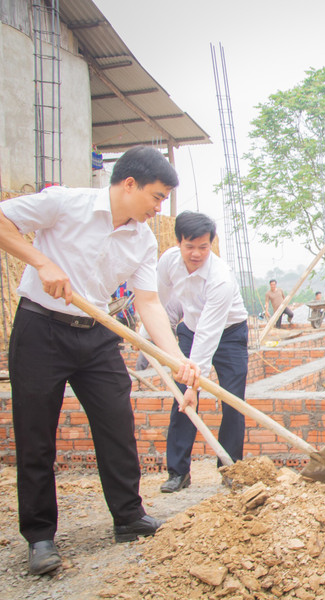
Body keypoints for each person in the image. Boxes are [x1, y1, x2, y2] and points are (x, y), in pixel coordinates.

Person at [0, 146, 199, 575]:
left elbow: (147, 303)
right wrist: (41, 261)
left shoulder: (143, 239)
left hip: (97, 336)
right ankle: (39, 537)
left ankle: (128, 516)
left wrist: (176, 358)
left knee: (117, 424)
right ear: (129, 184)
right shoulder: (64, 203)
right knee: (36, 436)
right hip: (41, 329)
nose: (158, 207)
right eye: (157, 197)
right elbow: (2, 219)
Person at [157, 212, 250, 493]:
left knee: (232, 401)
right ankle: (178, 472)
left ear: (212, 244)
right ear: (178, 241)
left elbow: (209, 334)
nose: (196, 254)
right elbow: (162, 303)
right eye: (189, 246)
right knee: (181, 401)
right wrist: (151, 336)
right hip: (189, 330)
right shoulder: (168, 262)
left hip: (229, 335)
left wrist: (193, 383)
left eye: (203, 247)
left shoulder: (220, 278)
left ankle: (231, 468)